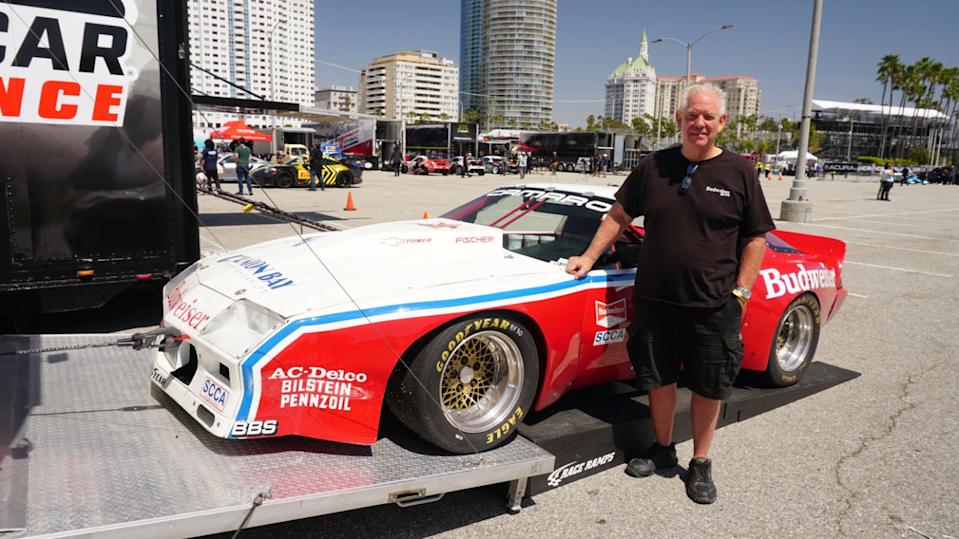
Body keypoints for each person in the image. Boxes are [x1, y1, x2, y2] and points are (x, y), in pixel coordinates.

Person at [565, 83, 774, 504]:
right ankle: (662, 448)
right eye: (692, 115)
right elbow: (619, 215)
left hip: (715, 304)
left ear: (722, 122)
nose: (700, 123)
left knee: (708, 386)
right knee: (658, 379)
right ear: (679, 119)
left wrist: (742, 291)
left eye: (708, 116)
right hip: (656, 301)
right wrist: (588, 257)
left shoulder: (740, 172)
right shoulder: (653, 166)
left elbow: (756, 237)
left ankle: (700, 462)